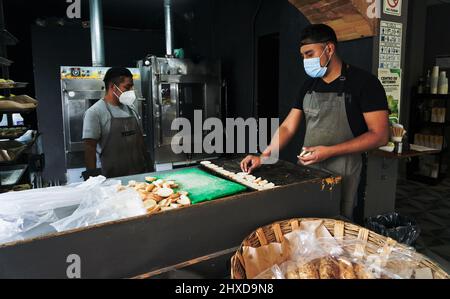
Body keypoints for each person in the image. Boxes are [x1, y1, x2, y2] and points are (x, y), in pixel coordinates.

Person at [240, 24, 389, 219]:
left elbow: (380, 136)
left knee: (337, 226)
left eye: (310, 54)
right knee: (306, 223)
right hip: (308, 171)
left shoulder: (365, 83)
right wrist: (265, 156)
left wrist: (329, 151)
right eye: (303, 56)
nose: (306, 61)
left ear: (329, 48)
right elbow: (288, 126)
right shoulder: (309, 85)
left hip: (345, 173)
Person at [82, 67, 150, 179]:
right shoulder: (95, 112)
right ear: (113, 87)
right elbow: (90, 148)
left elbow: (140, 141)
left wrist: (149, 166)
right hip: (112, 180)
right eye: (127, 87)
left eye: (132, 87)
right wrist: (92, 178)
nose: (131, 91)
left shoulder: (131, 108)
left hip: (139, 175)